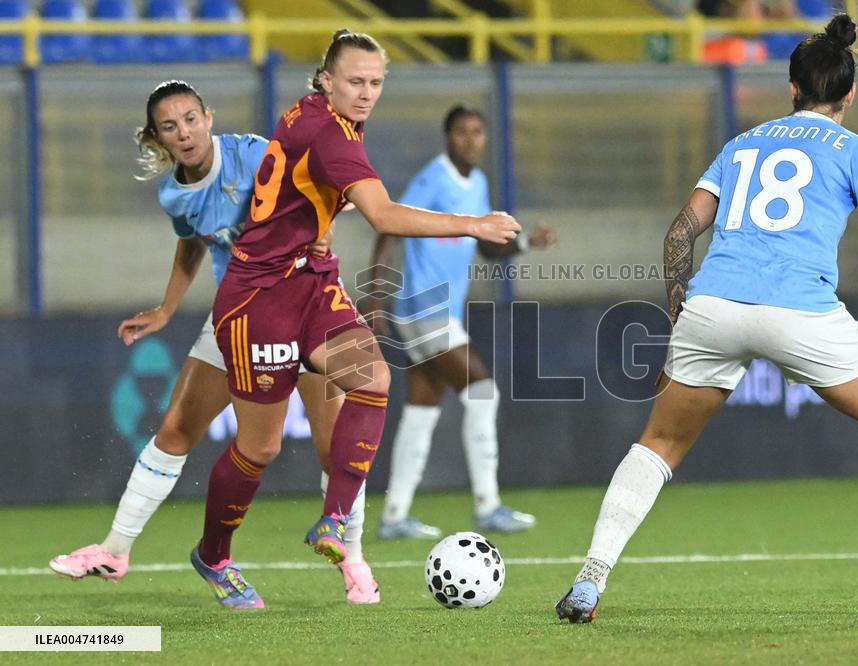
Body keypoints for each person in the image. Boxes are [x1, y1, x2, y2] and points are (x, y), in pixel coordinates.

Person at [555, 14, 858, 623]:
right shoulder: (857, 151)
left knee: (659, 444)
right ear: (849, 94)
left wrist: (679, 304)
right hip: (800, 309)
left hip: (713, 306)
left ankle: (589, 581)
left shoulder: (742, 144)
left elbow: (683, 230)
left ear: (792, 89)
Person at [193, 30, 520, 609]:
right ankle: (214, 555)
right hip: (258, 299)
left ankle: (333, 521)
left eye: (375, 83)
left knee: (373, 379)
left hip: (311, 285)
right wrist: (472, 223)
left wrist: (317, 233)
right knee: (259, 448)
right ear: (327, 79)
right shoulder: (330, 130)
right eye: (355, 82)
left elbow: (307, 187)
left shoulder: (326, 117)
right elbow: (385, 215)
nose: (366, 93)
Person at [47, 80, 379, 605]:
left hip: (306, 299)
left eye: (190, 118)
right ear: (157, 138)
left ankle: (353, 560)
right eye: (170, 126)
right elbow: (193, 243)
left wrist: (327, 226)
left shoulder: (250, 154)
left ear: (209, 116)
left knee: (330, 443)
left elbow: (325, 179)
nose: (184, 132)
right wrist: (166, 308)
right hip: (239, 315)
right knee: (179, 429)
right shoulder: (173, 193)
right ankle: (115, 550)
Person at [368, 104, 556, 539]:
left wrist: (526, 242)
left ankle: (394, 516)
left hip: (436, 312)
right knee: (484, 393)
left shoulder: (479, 183)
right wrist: (375, 299)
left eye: (477, 132)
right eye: (462, 132)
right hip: (422, 307)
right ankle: (488, 506)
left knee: (421, 411)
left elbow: (487, 246)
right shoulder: (435, 177)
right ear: (447, 137)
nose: (471, 139)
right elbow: (390, 227)